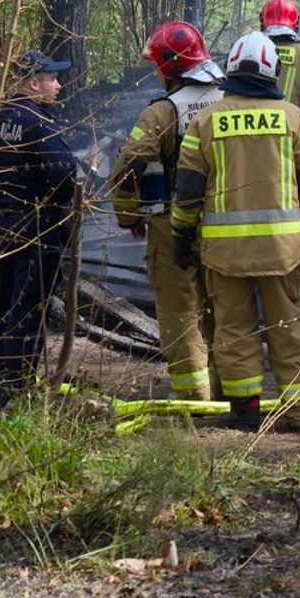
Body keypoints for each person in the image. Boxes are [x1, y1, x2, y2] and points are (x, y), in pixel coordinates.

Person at [170, 31, 300, 432]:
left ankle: (245, 411)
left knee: (234, 329)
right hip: (281, 251)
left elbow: (187, 191)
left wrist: (181, 235)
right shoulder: (293, 118)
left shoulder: (206, 121)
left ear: (231, 69)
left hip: (225, 254)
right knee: (289, 328)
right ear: (273, 71)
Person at [109, 21, 223, 399]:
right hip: (226, 224)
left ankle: (194, 395)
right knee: (226, 306)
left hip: (173, 223)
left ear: (168, 67)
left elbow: (128, 168)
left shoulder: (164, 111)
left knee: (180, 308)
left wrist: (129, 215)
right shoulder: (233, 101)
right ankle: (231, 389)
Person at [0, 50, 78, 401]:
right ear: (33, 83)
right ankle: (17, 387)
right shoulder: (38, 122)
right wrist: (58, 203)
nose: (58, 85)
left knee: (1, 301)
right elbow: (65, 169)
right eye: (52, 78)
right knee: (28, 305)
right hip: (36, 226)